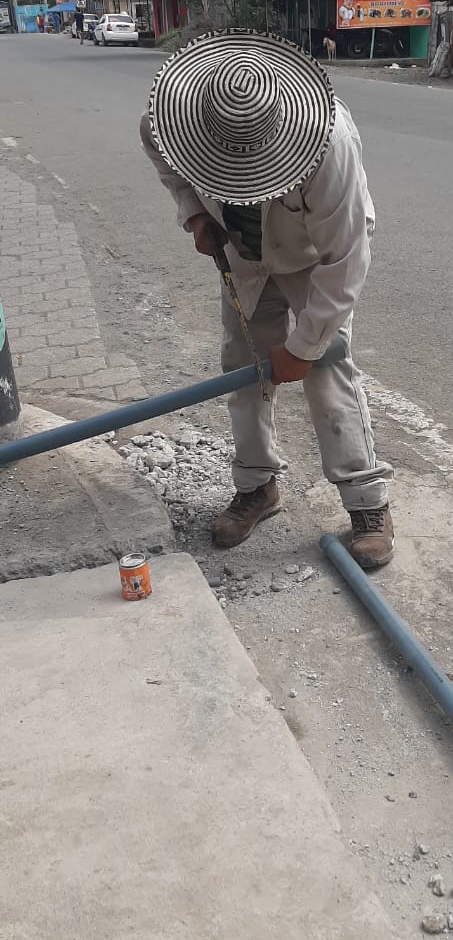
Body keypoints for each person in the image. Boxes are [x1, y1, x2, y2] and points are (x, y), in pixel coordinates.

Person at [140, 30, 393, 569]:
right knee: (243, 368)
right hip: (244, 253)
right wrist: (196, 212)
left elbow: (347, 258)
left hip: (311, 258)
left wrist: (303, 348)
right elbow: (159, 152)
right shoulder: (171, 121)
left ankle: (367, 502)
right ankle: (257, 487)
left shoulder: (329, 145)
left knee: (327, 369)